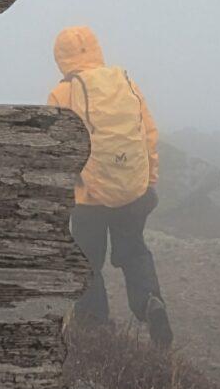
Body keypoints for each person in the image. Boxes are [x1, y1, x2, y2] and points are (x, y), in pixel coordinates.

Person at [48, 26, 171, 347]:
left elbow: (58, 147)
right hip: (132, 190)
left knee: (87, 261)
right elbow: (148, 133)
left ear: (60, 56)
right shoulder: (125, 83)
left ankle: (95, 329)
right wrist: (149, 180)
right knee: (133, 250)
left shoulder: (62, 93)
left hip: (87, 197)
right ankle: (149, 302)